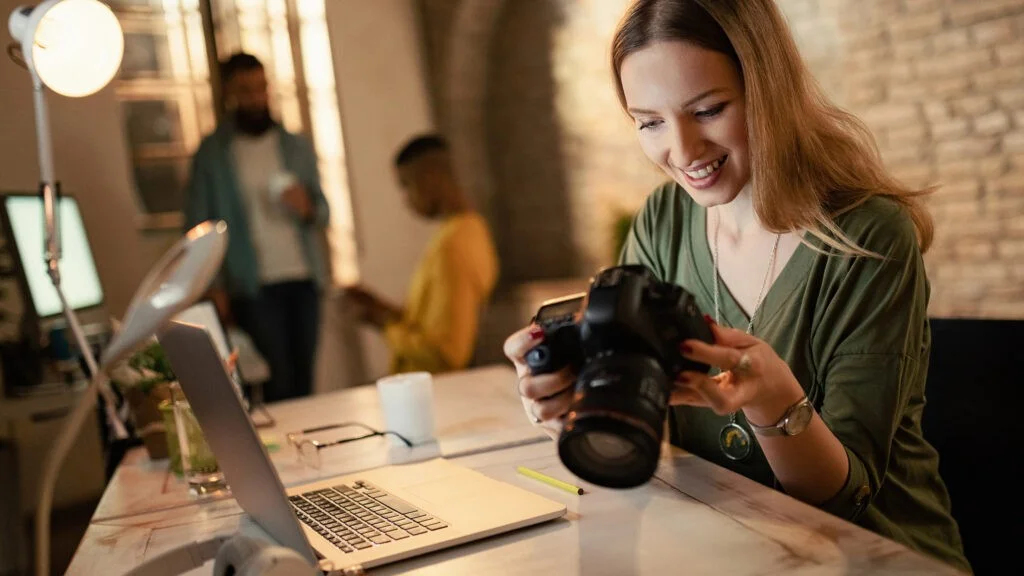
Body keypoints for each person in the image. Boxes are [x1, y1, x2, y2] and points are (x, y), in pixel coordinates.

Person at [502, 0, 970, 572]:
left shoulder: (869, 236)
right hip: (722, 549)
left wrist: (772, 397)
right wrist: (576, 408)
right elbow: (643, 426)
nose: (682, 151)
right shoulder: (663, 220)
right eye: (649, 121)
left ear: (767, 90)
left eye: (708, 110)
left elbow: (844, 498)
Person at [184, 52, 330, 402]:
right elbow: (197, 226)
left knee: (305, 380)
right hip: (253, 284)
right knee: (277, 381)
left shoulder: (294, 146)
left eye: (261, 88)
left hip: (303, 276)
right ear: (230, 94)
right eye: (246, 89)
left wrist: (307, 207)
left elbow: (323, 211)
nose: (256, 97)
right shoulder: (213, 154)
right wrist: (213, 286)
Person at [345, 135, 499, 375]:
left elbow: (446, 354)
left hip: (437, 390)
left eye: (406, 185)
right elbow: (429, 323)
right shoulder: (463, 231)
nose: (405, 199)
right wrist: (381, 309)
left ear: (431, 177)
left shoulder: (454, 246)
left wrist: (385, 324)